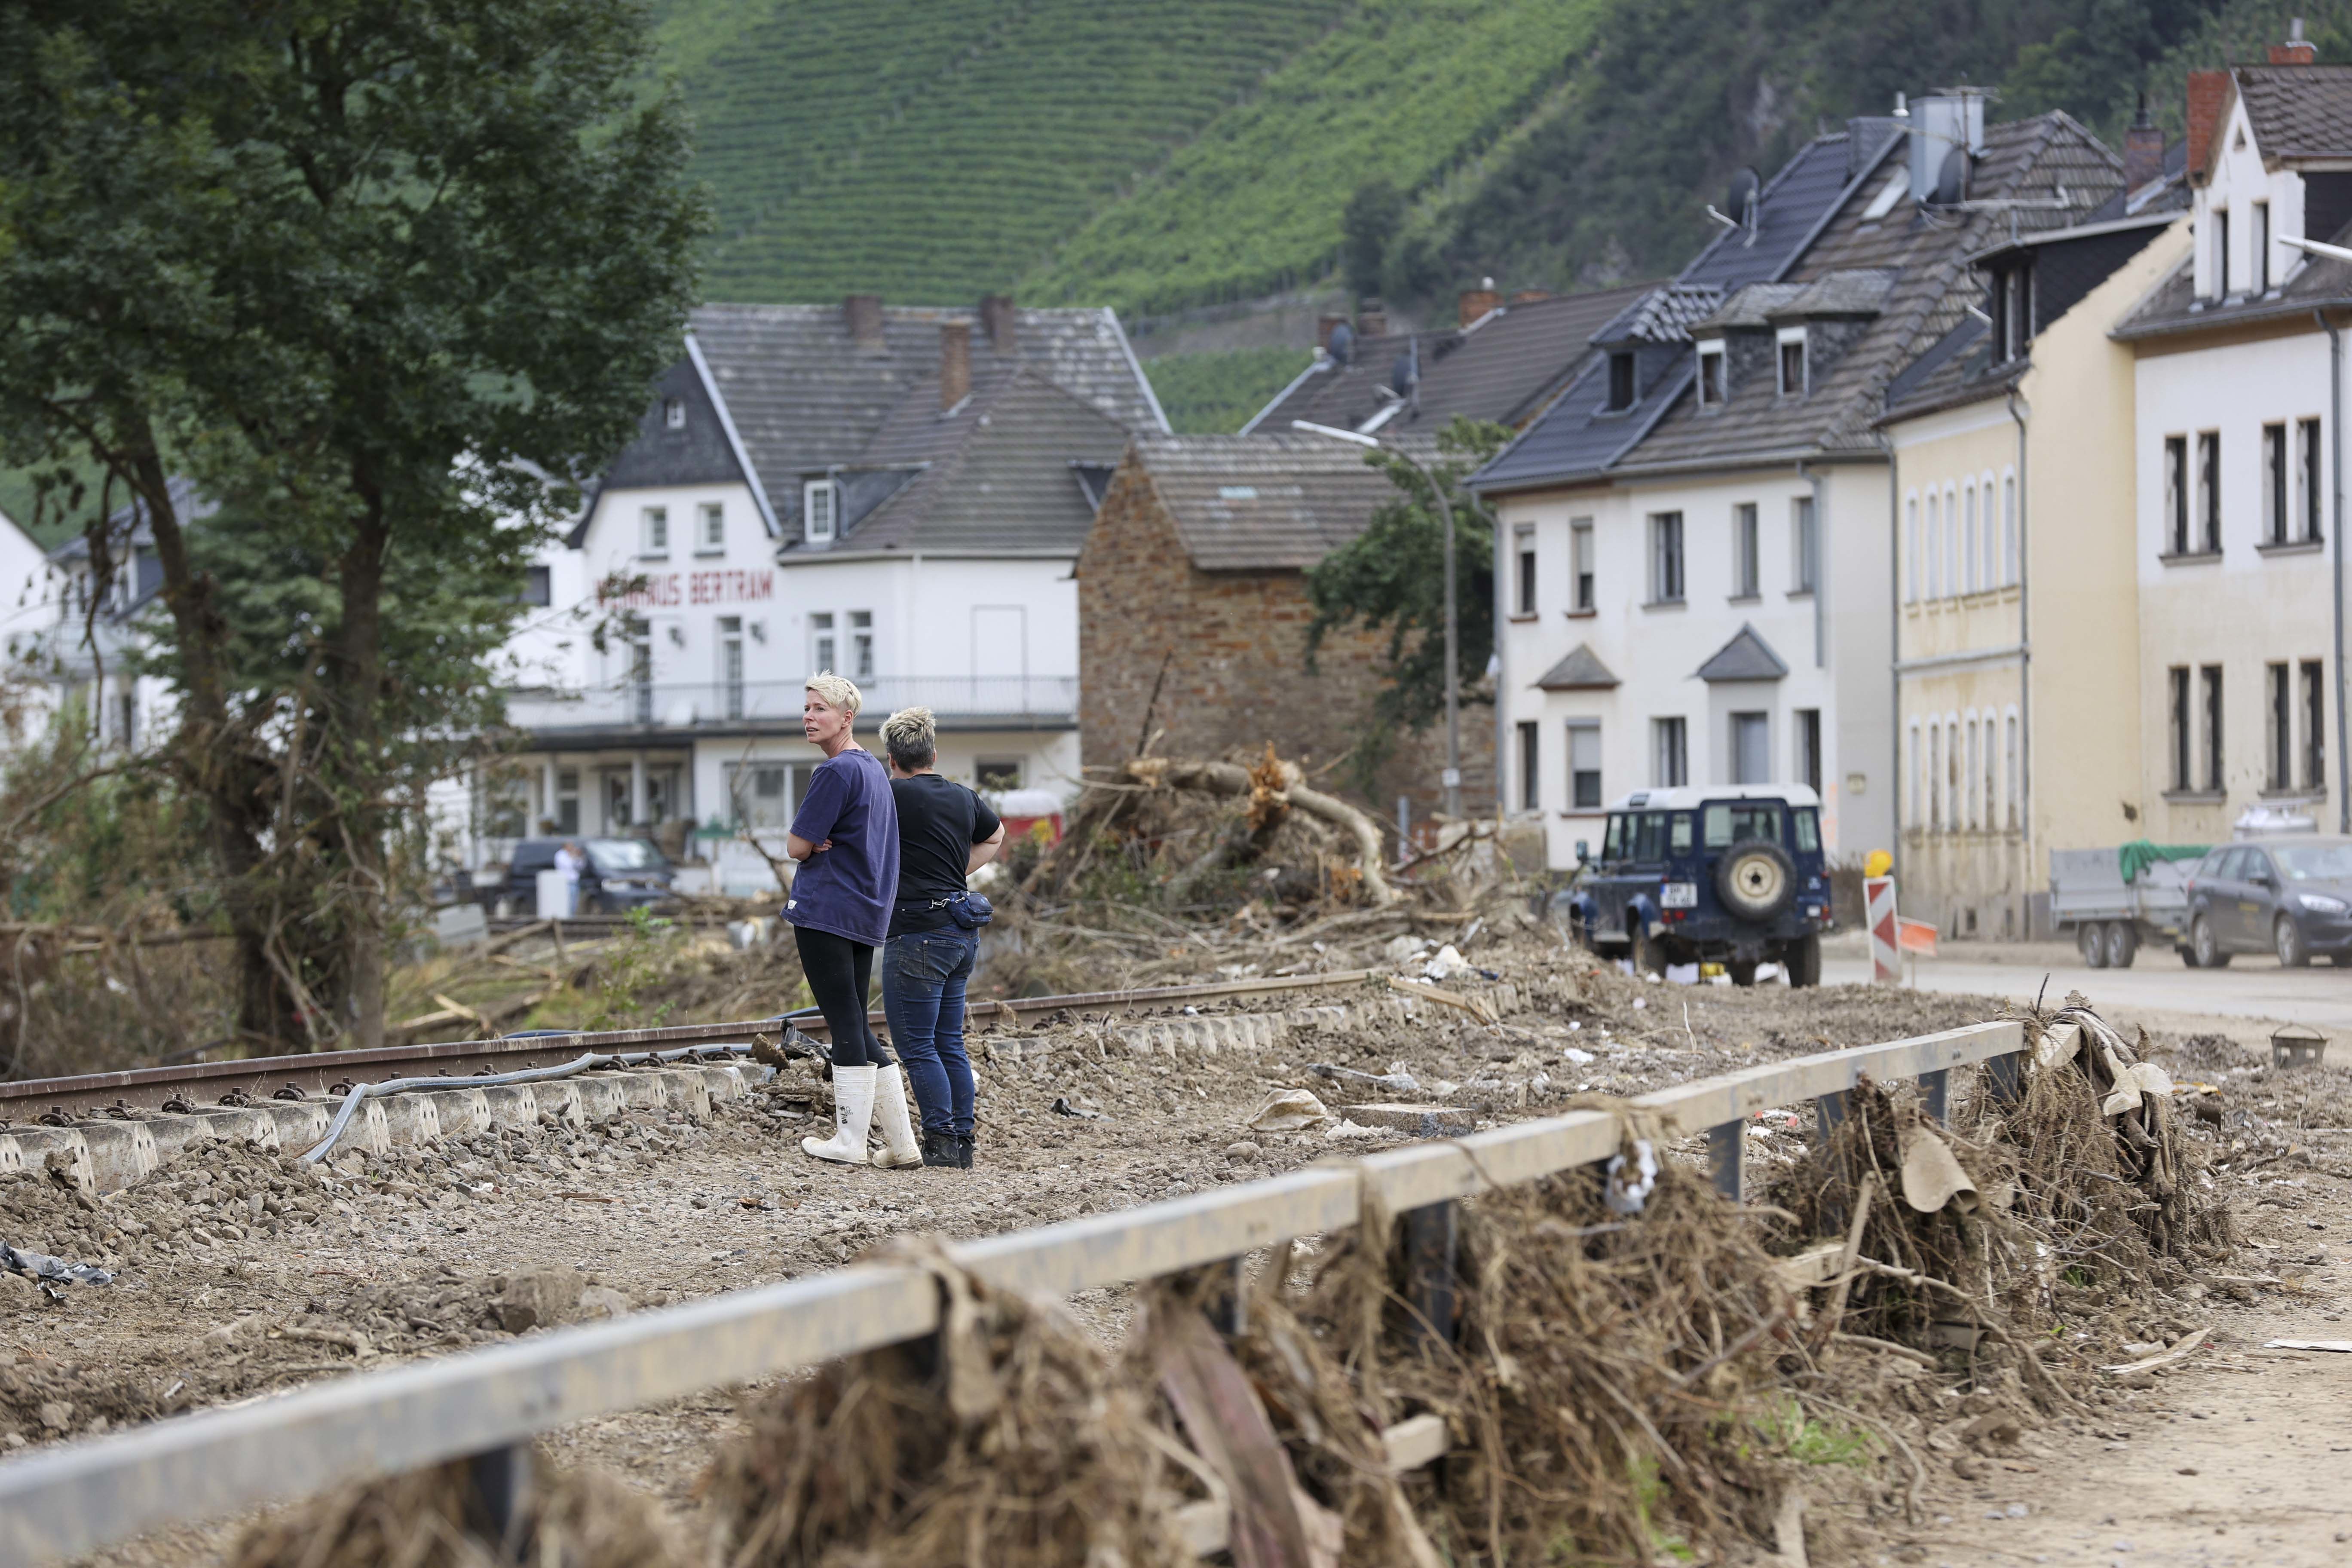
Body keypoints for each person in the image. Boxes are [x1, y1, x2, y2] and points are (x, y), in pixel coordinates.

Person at [782, 674, 922, 1169]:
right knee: (857, 1023)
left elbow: (796, 847)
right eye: (806, 708)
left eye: (820, 709)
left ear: (847, 717)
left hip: (827, 910)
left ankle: (849, 1141)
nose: (809, 717)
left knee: (844, 1023)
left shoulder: (836, 772)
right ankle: (902, 1145)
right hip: (864, 910)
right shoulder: (872, 771)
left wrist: (808, 844)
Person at [878, 707, 1005, 1169]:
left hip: (918, 935)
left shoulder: (889, 797)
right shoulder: (964, 797)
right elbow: (996, 837)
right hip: (960, 933)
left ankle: (941, 1143)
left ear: (892, 759)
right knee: (949, 1041)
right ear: (933, 754)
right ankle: (964, 1144)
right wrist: (956, 872)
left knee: (917, 1045)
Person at [552, 840, 584, 918]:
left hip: (575, 881)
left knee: (574, 902)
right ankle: (567, 918)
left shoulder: (573, 855)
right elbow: (567, 865)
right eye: (570, 846)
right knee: (567, 901)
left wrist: (578, 857)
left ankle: (572, 917)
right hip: (565, 882)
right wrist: (572, 856)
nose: (572, 847)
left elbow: (580, 866)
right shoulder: (561, 855)